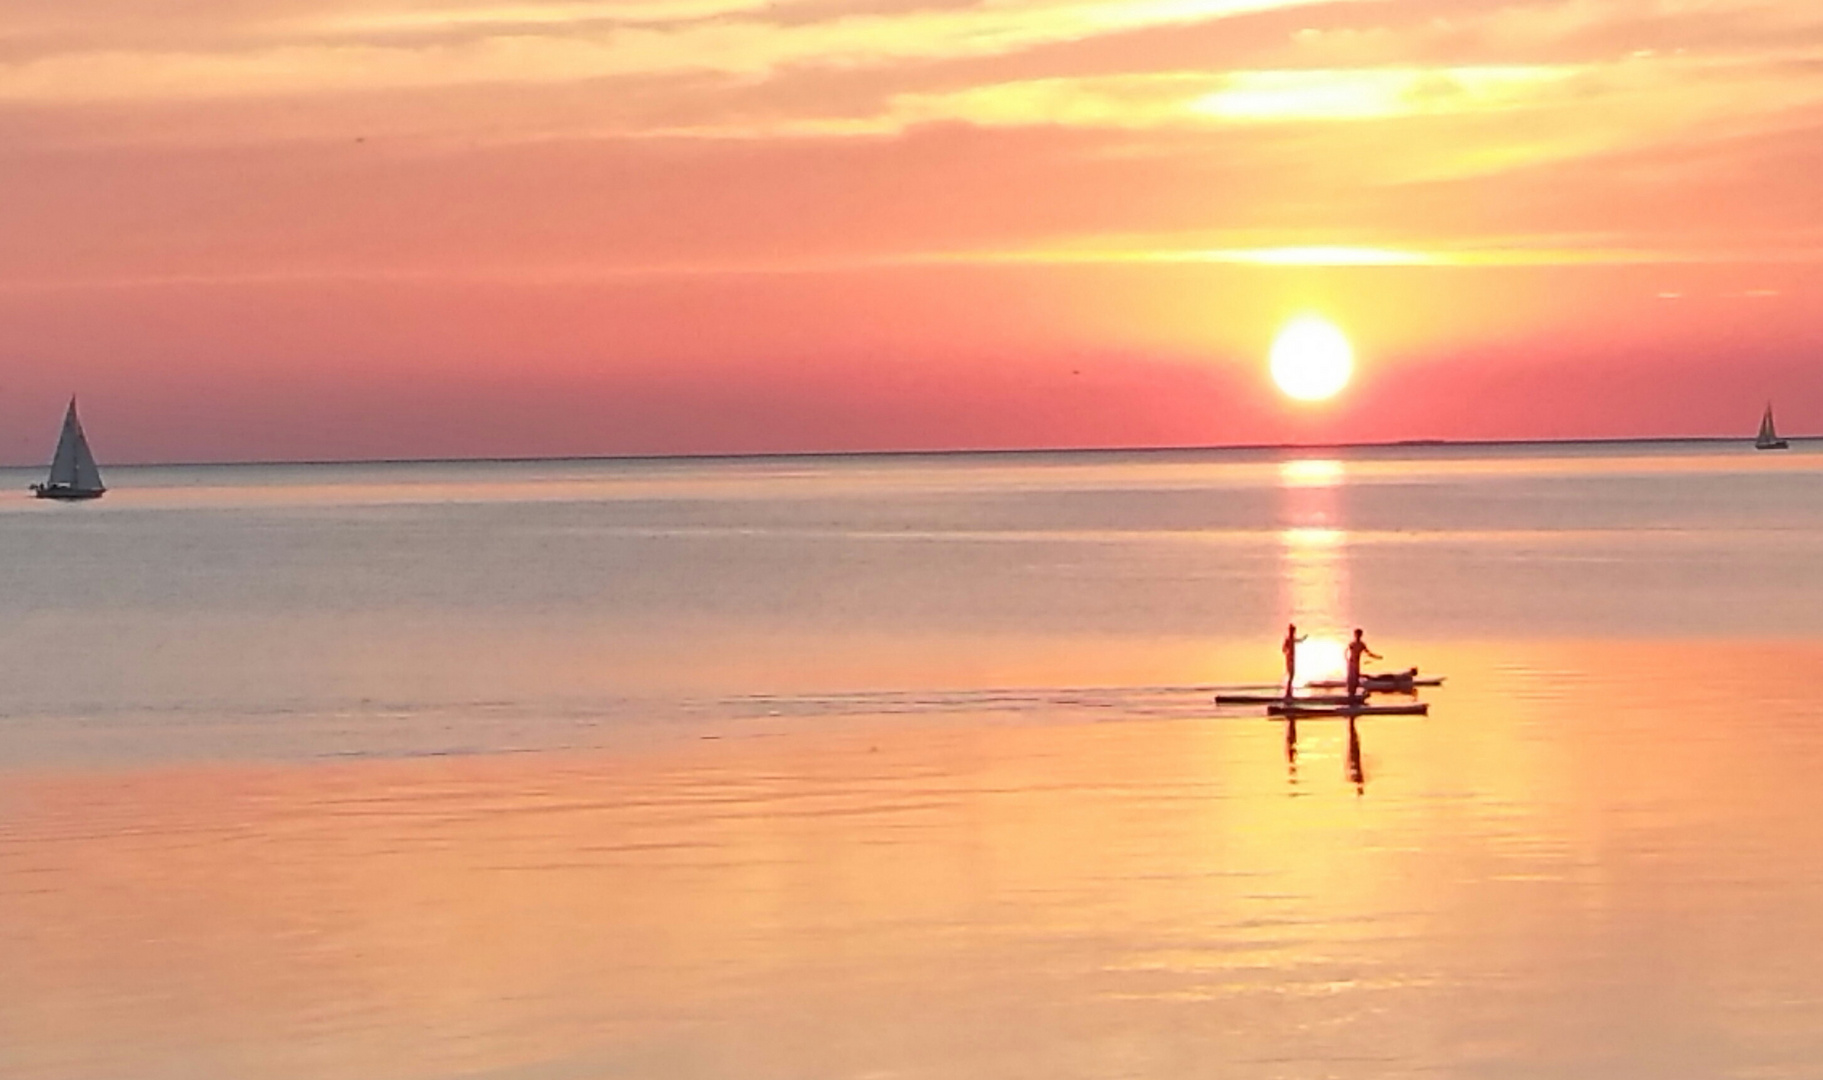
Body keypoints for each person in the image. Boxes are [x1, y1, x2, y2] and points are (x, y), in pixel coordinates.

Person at [1345, 628, 1381, 700]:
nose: (1358, 636)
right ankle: (1350, 694)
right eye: (1356, 634)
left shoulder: (1362, 644)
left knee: (1356, 678)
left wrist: (1377, 657)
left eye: (1359, 635)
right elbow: (1346, 652)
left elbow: (1368, 653)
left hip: (1356, 663)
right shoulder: (1352, 644)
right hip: (1351, 662)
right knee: (1351, 678)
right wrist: (1347, 660)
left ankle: (1353, 694)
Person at [1282, 623, 1306, 698]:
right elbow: (1283, 650)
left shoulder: (1292, 639)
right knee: (1291, 675)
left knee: (1292, 675)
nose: (1294, 633)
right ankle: (1288, 692)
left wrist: (1304, 638)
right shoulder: (1288, 639)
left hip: (1292, 659)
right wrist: (1288, 652)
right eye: (1293, 631)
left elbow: (1299, 640)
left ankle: (1289, 691)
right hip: (1289, 659)